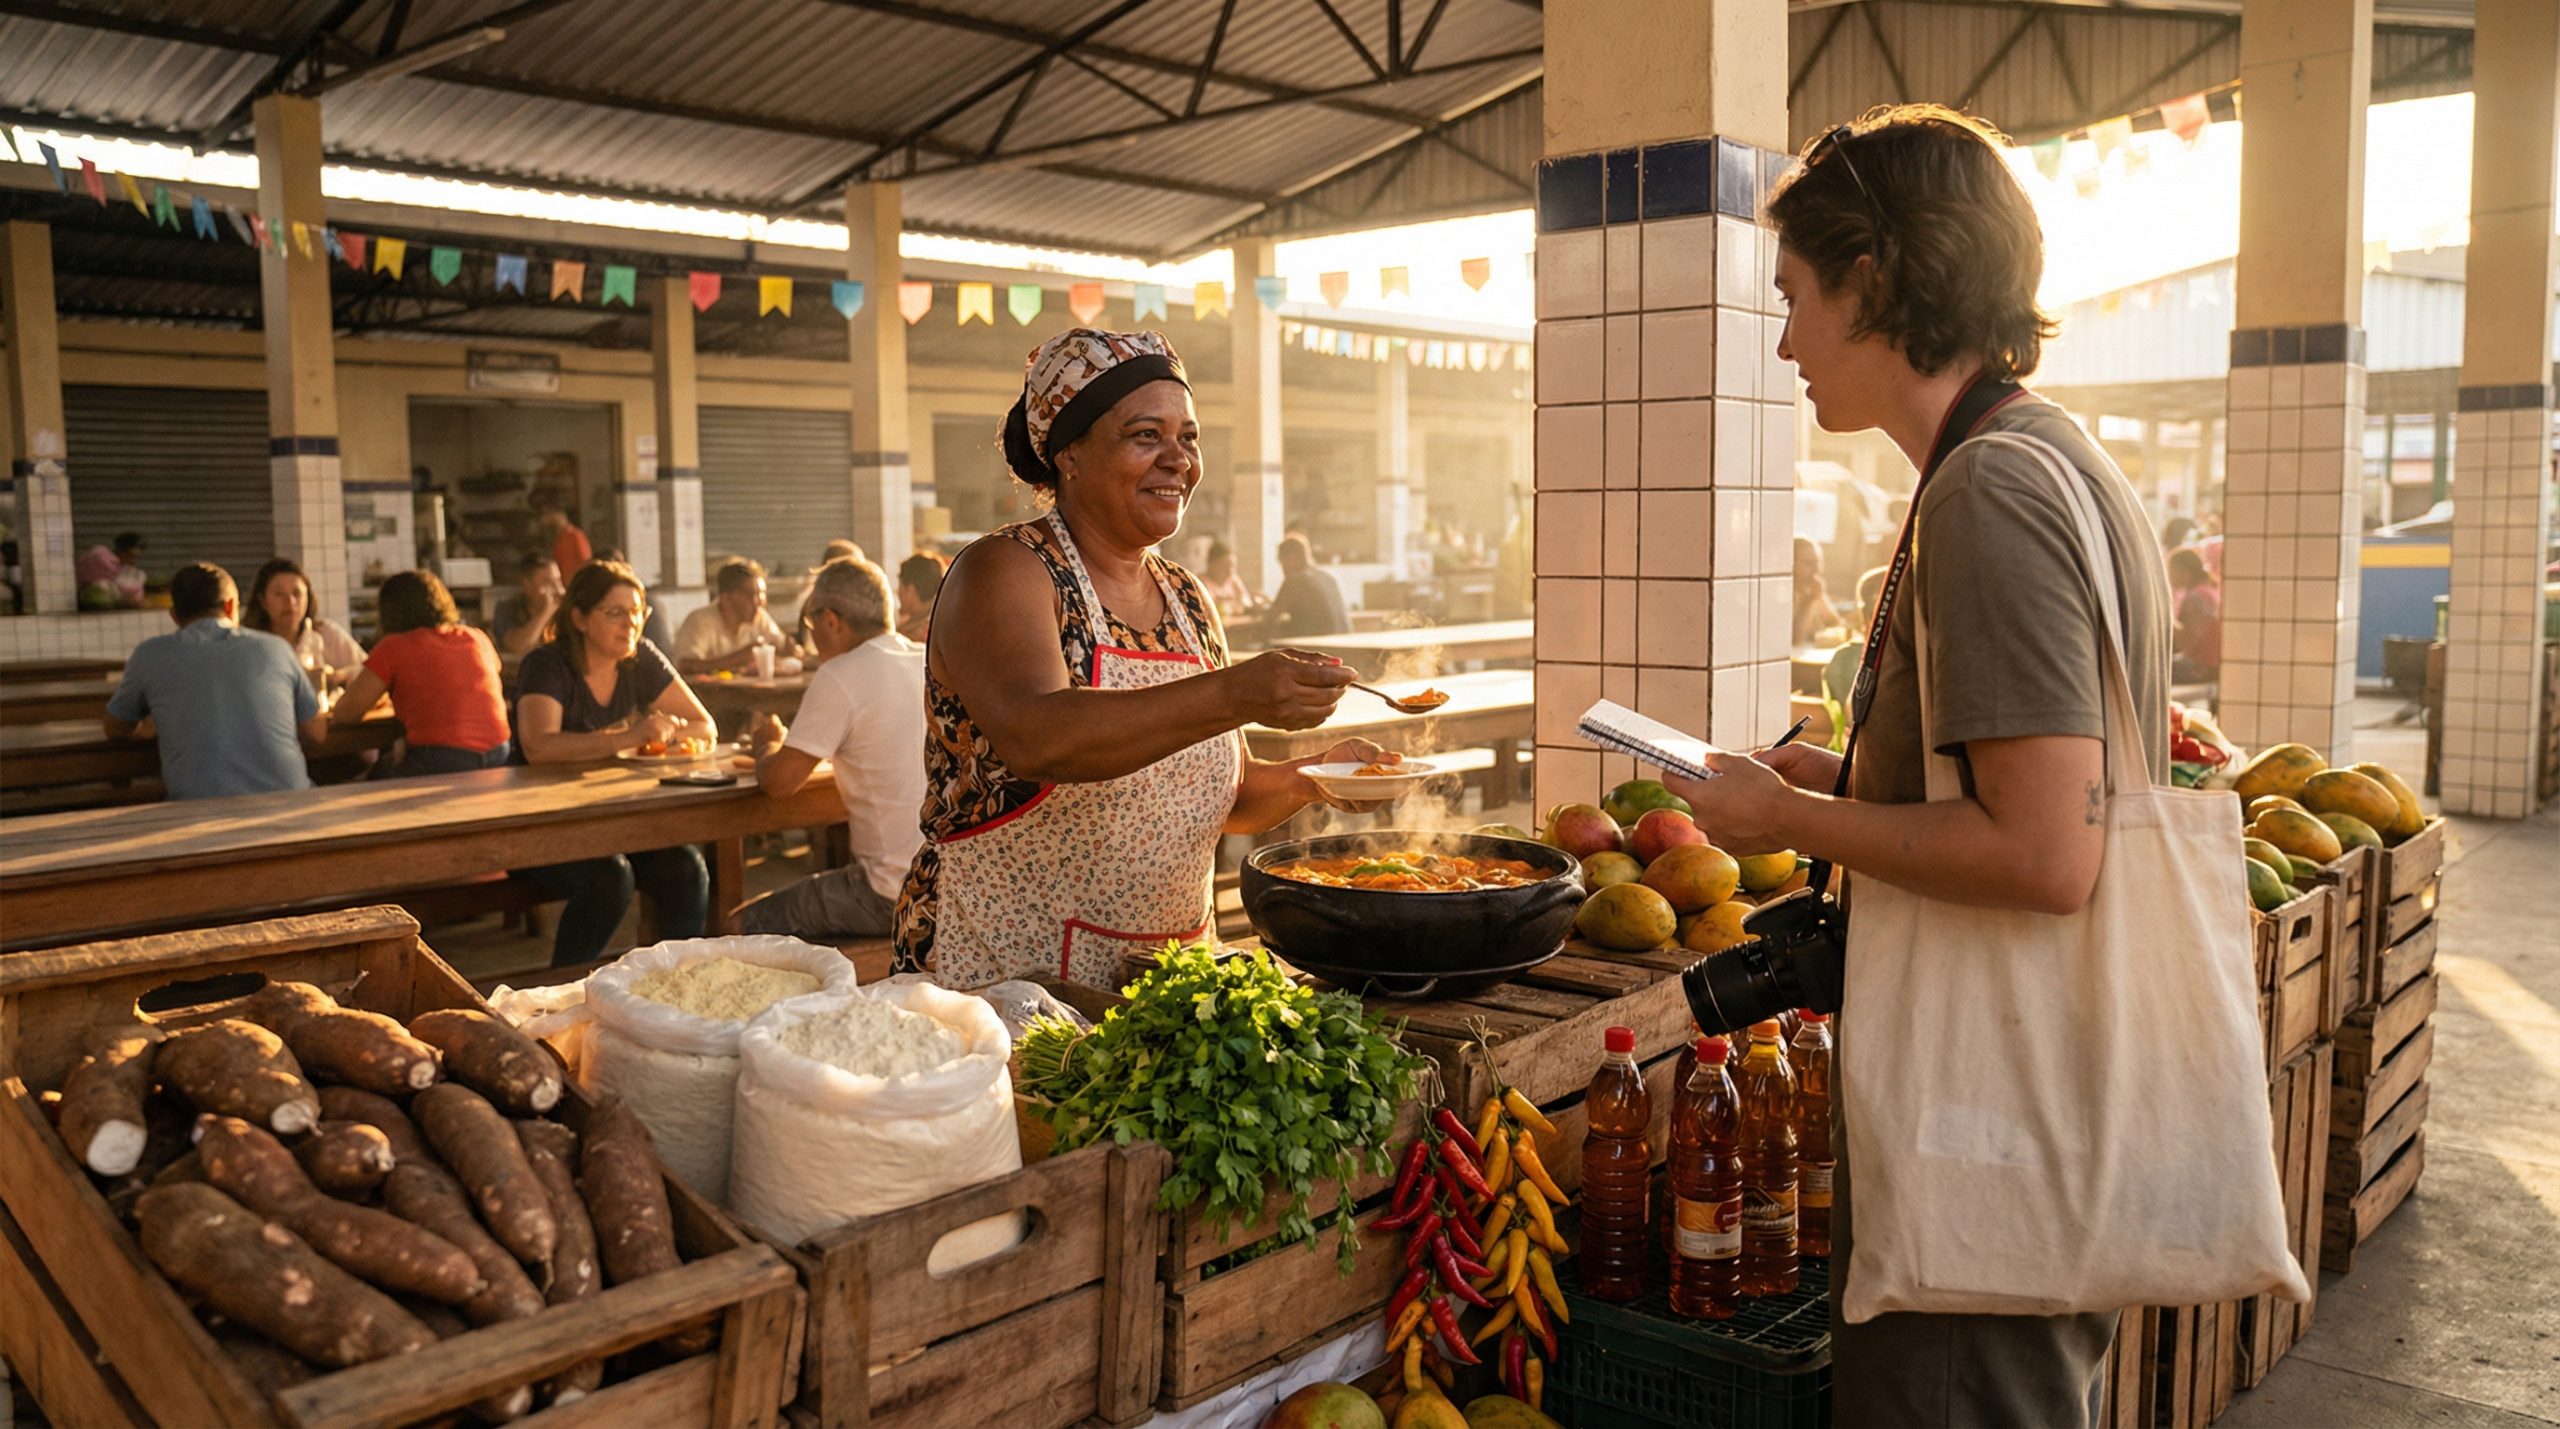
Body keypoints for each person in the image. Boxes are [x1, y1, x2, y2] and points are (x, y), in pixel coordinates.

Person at [1659, 106, 2172, 1428]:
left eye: (1794, 297)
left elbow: (2046, 853)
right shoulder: (2058, 458)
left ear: (1874, 279)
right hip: (2033, 1106)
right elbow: (2044, 788)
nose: (1783, 344)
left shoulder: (1987, 492)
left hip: (1983, 1134)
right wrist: (1848, 775)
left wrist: (1789, 815)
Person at [897, 328, 1395, 989]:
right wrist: (1235, 694)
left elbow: (1224, 793)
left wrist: (1319, 775)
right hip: (1002, 975)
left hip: (1163, 978)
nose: (1178, 460)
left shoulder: (1188, 597)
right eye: (1145, 435)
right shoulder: (1008, 570)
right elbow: (1037, 734)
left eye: (1188, 438)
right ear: (1068, 452)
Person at [512, 560, 718, 966]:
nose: (631, 623)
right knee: (609, 878)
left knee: (686, 868)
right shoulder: (548, 664)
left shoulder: (640, 659)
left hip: (613, 820)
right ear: (580, 618)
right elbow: (540, 747)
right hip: (543, 825)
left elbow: (704, 726)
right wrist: (631, 737)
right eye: (616, 612)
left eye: (638, 611)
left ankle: (676, 982)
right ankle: (566, 989)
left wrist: (664, 732)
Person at [734, 557, 926, 939]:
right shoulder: (925, 658)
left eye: (810, 625)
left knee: (736, 925)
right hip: (949, 887)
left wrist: (766, 743)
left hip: (891, 894)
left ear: (831, 621)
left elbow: (779, 783)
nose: (812, 637)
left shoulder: (841, 673)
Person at [103, 562, 326, 799]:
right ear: (231, 607)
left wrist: (151, 728)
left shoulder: (148, 655)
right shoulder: (276, 648)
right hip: (291, 802)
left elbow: (115, 728)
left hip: (198, 811)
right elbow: (316, 733)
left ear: (175, 616)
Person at [335, 569, 512, 775]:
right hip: (500, 753)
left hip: (443, 759)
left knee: (372, 778)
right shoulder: (476, 638)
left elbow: (344, 714)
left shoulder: (394, 647)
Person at [242, 557, 367, 688]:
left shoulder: (325, 634)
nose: (290, 602)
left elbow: (368, 671)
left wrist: (337, 677)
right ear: (262, 601)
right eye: (279, 594)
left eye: (297, 593)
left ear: (308, 597)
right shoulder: (250, 644)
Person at [673, 559, 796, 677]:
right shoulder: (700, 621)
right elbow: (685, 665)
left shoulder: (759, 617)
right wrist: (738, 659)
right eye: (751, 595)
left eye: (761, 594)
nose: (759, 602)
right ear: (726, 599)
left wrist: (789, 647)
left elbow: (782, 644)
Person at [1266, 534, 1349, 639]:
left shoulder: (1295, 579)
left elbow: (1271, 616)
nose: (1283, 569)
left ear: (1292, 558)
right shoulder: (1328, 577)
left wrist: (1255, 608)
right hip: (1342, 646)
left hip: (1317, 648)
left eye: (1283, 562)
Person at [490, 551, 564, 658]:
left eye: (558, 581)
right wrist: (545, 613)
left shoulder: (567, 611)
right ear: (527, 584)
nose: (557, 590)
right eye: (547, 583)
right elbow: (517, 648)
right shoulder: (507, 609)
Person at [2168, 547, 2222, 685]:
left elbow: (2188, 642)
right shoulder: (2208, 590)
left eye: (2171, 571)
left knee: (2149, 667)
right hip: (2213, 666)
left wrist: (2167, 617)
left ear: (2185, 573)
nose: (2168, 577)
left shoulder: (2196, 597)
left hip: (2202, 667)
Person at [1792, 535, 1847, 645]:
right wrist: (1807, 603)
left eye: (1817, 562)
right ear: (1793, 565)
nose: (1816, 569)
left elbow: (1836, 623)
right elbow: (1795, 640)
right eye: (1808, 564)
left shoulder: (1814, 589)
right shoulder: (1783, 595)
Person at [76, 531, 148, 609]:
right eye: (132, 555)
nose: (134, 560)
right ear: (124, 550)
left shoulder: (126, 567)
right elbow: (116, 584)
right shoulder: (102, 557)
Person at [532, 489, 591, 583]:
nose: (542, 520)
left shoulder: (575, 537)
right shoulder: (555, 540)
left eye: (544, 514)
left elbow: (588, 570)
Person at [1195, 539, 1261, 619]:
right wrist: (1234, 604)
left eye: (1233, 566)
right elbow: (1212, 610)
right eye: (1225, 566)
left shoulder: (1232, 579)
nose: (1230, 571)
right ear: (1212, 565)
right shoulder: (1201, 582)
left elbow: (1246, 602)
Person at [894, 551, 946, 646]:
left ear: (910, 590)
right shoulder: (943, 621)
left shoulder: (913, 636)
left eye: (900, 587)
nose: (897, 593)